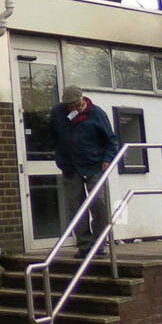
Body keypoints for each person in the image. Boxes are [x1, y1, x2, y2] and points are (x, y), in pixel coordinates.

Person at [51, 84, 121, 256]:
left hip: (94, 165)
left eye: (75, 104)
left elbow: (111, 141)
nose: (72, 108)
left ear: (82, 99)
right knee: (75, 207)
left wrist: (106, 160)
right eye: (68, 105)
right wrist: (59, 158)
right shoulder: (58, 113)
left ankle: (98, 244)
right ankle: (84, 245)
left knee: (99, 205)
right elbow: (53, 136)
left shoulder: (97, 114)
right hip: (70, 166)